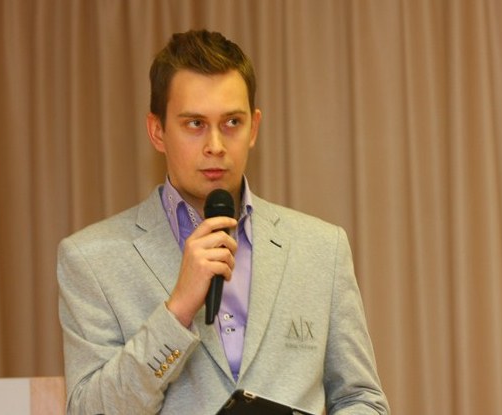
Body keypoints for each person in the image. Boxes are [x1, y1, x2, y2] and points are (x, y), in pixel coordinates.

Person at [57, 29, 390, 414]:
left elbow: (362, 401)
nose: (215, 145)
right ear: (157, 131)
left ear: (254, 128)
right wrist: (177, 312)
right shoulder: (91, 259)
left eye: (232, 122)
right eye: (194, 124)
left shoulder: (321, 248)